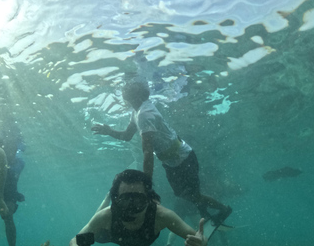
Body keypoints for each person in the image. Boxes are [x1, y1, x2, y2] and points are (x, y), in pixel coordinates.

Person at [91, 78, 232, 225]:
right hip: (172, 161)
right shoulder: (137, 111)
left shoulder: (144, 114)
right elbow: (127, 136)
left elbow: (147, 152)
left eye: (127, 96)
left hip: (184, 158)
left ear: (134, 97)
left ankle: (223, 209)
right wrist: (109, 131)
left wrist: (147, 183)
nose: (125, 99)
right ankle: (206, 213)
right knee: (182, 193)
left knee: (193, 194)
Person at [69, 169, 207, 246]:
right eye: (125, 200)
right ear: (116, 200)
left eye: (138, 200)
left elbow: (199, 239)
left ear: (148, 199)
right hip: (108, 235)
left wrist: (201, 243)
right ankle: (106, 200)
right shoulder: (106, 217)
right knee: (94, 235)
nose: (131, 208)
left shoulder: (162, 216)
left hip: (124, 231)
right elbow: (76, 240)